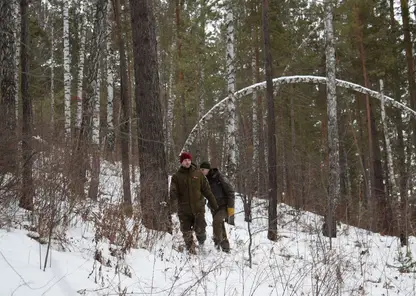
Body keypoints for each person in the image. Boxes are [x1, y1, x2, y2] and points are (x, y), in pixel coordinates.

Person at [170, 152, 219, 255]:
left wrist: (214, 205)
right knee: (186, 232)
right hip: (184, 210)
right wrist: (171, 204)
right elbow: (173, 193)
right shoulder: (176, 176)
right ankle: (191, 251)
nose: (187, 162)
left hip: (198, 209)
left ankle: (201, 245)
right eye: (185, 160)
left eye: (188, 160)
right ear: (181, 162)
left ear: (191, 160)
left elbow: (207, 191)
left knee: (201, 230)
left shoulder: (198, 174)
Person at [200, 161, 235, 253]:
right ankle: (225, 248)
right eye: (200, 170)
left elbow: (231, 191)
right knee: (220, 225)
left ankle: (217, 243)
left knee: (216, 221)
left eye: (203, 169)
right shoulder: (204, 180)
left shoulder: (219, 177)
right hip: (214, 207)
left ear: (208, 169)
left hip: (224, 206)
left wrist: (231, 207)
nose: (202, 171)